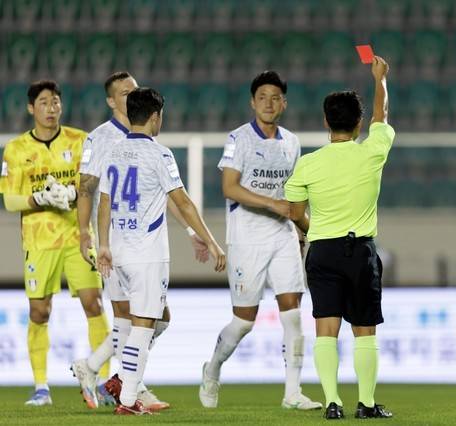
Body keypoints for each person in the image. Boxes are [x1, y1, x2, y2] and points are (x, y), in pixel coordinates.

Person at [70, 72, 208, 410]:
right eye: (124, 92)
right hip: (116, 242)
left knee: (155, 318)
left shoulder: (144, 140)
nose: (131, 94)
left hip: (135, 241)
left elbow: (166, 195)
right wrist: (85, 232)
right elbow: (87, 188)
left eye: (134, 90)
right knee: (131, 318)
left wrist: (191, 232)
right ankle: (131, 388)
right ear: (111, 101)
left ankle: (104, 371)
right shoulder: (100, 139)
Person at [96, 87, 226, 415]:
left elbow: (104, 202)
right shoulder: (160, 154)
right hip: (147, 254)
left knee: (155, 318)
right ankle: (128, 400)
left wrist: (104, 245)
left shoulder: (112, 152)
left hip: (118, 252)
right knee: (142, 326)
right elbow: (183, 201)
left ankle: (124, 383)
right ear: (155, 117)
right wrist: (211, 242)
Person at [199, 71, 321, 411]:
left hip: (282, 235)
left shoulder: (292, 142)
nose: (269, 103)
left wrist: (301, 228)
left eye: (275, 97)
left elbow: (294, 192)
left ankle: (292, 392)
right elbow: (229, 188)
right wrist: (272, 204)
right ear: (253, 102)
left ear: (284, 103)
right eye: (262, 97)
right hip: (246, 237)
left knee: (293, 313)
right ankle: (212, 368)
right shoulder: (237, 139)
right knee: (244, 321)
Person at [284, 56, 394, 420]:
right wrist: (379, 80)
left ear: (325, 122)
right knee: (365, 331)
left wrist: (312, 231)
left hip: (323, 251)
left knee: (326, 328)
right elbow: (382, 117)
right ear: (359, 123)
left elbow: (295, 212)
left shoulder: (308, 164)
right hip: (360, 250)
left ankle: (332, 402)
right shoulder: (372, 152)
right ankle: (366, 404)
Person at [0, 80, 109, 406]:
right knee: (39, 312)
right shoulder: (16, 149)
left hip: (78, 237)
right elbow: (9, 201)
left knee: (94, 304)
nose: (51, 108)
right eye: (44, 102)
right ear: (31, 108)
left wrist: (74, 192)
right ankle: (41, 387)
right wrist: (39, 198)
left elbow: (93, 182)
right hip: (39, 241)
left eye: (56, 102)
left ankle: (104, 382)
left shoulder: (80, 140)